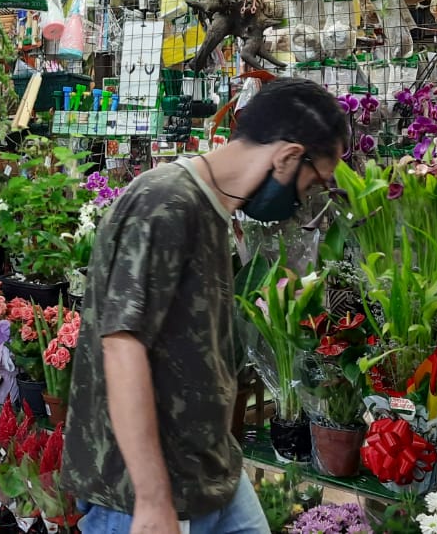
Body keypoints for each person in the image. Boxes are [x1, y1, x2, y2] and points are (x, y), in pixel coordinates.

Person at [61, 78, 346, 534]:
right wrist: (154, 502)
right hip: (139, 491)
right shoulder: (166, 202)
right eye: (313, 182)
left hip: (209, 472)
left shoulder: (214, 210)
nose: (304, 199)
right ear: (288, 156)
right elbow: (122, 345)